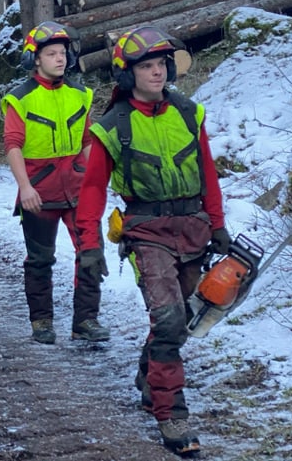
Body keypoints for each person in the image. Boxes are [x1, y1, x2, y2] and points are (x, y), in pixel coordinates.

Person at [75, 25, 231, 456]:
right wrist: (89, 245)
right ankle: (171, 413)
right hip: (146, 233)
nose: (157, 72)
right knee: (167, 320)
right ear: (128, 74)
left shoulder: (188, 113)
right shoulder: (111, 127)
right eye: (146, 66)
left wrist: (217, 224)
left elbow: (208, 174)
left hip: (193, 230)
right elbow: (90, 190)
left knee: (181, 316)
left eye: (161, 64)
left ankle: (150, 377)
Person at [1, 21, 110, 345]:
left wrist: (96, 181)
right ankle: (41, 321)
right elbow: (13, 146)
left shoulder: (81, 94)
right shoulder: (21, 98)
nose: (59, 59)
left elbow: (88, 141)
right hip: (40, 190)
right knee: (40, 260)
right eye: (52, 54)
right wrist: (25, 187)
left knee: (91, 252)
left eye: (62, 53)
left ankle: (86, 321)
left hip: (78, 189)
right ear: (36, 59)